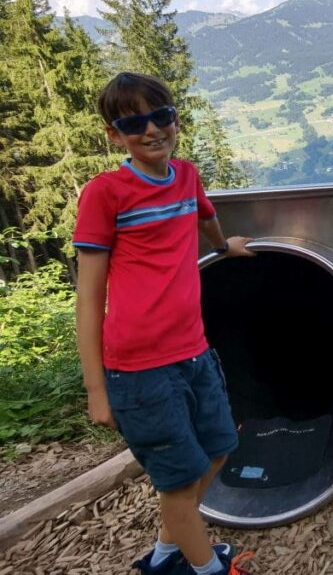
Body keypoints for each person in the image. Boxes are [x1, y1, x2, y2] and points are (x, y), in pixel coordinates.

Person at [74, 72, 256, 575]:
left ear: (176, 118)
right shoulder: (105, 194)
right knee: (178, 483)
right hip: (138, 368)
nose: (152, 130)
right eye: (134, 123)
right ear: (115, 134)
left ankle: (166, 553)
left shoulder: (186, 175)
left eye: (162, 116)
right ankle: (205, 568)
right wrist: (96, 389)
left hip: (193, 352)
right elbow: (88, 297)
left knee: (218, 449)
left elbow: (205, 215)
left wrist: (224, 248)